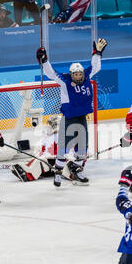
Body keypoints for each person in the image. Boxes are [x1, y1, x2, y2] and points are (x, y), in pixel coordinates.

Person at [36, 38, 107, 187]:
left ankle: (78, 172)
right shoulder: (65, 81)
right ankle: (58, 173)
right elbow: (51, 73)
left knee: (82, 149)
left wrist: (97, 53)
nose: (78, 76)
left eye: (80, 74)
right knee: (63, 148)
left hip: (82, 118)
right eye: (75, 74)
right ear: (71, 74)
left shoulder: (87, 77)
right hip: (69, 119)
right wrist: (45, 61)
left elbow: (95, 67)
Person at [11, 115, 59, 182]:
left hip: (55, 164)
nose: (49, 126)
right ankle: (24, 168)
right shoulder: (47, 137)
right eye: (49, 124)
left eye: (50, 124)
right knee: (37, 160)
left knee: (40, 161)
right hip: (49, 163)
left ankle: (28, 175)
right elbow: (42, 150)